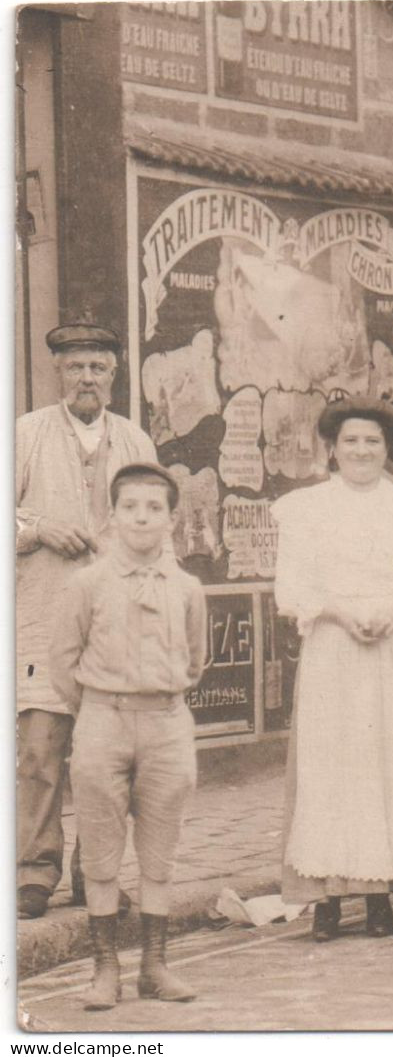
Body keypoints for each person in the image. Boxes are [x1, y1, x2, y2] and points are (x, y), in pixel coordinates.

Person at [271, 397, 393, 941]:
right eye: (350, 440)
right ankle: (329, 899)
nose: (361, 451)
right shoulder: (304, 509)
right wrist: (339, 611)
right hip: (334, 649)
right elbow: (292, 587)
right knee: (333, 770)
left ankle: (381, 899)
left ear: (388, 450)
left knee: (390, 768)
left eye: (372, 442)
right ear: (331, 448)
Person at [50, 463, 205, 1010]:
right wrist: (98, 709)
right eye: (130, 507)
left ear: (171, 519)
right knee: (100, 851)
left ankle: (155, 967)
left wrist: (155, 699)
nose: (142, 517)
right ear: (111, 516)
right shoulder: (86, 583)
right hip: (101, 721)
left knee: (160, 852)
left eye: (154, 508)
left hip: (166, 723)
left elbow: (195, 660)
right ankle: (105, 971)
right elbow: (62, 663)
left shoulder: (188, 588)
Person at [16, 323, 158, 921]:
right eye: (75, 368)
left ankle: (94, 873)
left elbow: (158, 525)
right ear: (57, 373)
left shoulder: (134, 441)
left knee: (103, 760)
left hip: (114, 623)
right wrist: (37, 529)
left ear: (115, 374)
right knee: (41, 752)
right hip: (41, 617)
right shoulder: (23, 434)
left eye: (98, 367)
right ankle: (32, 873)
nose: (87, 379)